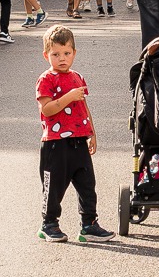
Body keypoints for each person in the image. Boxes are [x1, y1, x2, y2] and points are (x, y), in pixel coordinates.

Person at [34, 25, 114, 242]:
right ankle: (49, 224)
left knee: (88, 185)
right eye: (56, 54)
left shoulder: (77, 77)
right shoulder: (46, 80)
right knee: (54, 188)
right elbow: (47, 109)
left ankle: (89, 224)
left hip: (79, 141)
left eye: (67, 53)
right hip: (55, 143)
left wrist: (92, 132)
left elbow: (83, 107)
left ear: (74, 54)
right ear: (46, 55)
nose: (62, 58)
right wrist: (68, 97)